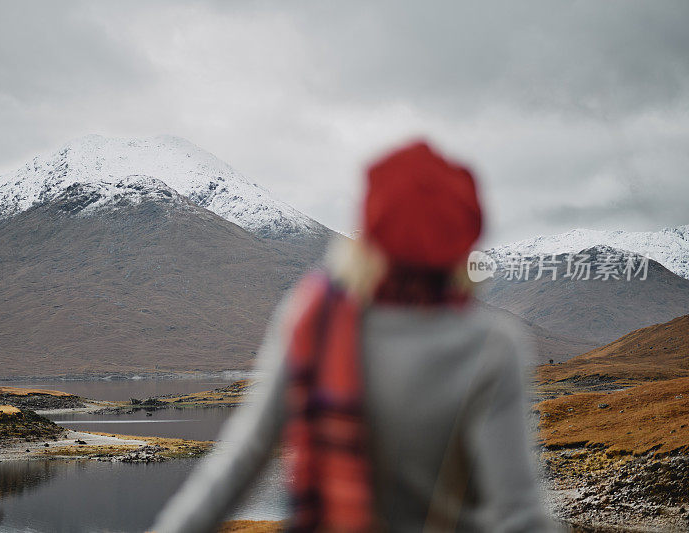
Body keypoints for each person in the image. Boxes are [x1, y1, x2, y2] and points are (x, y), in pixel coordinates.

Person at [152, 141, 558, 532]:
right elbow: (518, 515)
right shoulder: (491, 344)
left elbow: (242, 461)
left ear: (371, 228)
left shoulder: (315, 318)